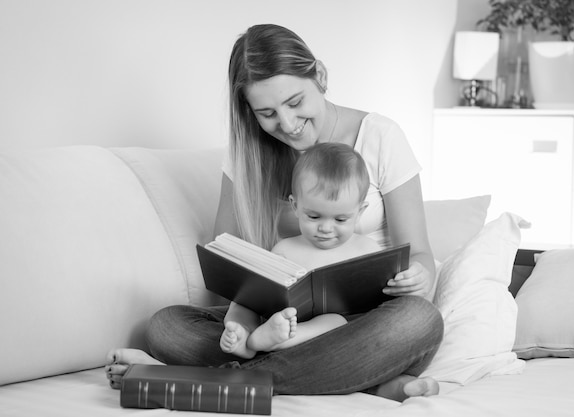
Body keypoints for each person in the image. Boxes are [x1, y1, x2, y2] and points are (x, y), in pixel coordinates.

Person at [106, 23, 443, 401]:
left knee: (419, 321)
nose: (286, 124)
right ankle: (366, 380)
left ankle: (199, 383)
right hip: (278, 323)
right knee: (167, 326)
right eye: (266, 113)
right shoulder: (249, 154)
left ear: (320, 76)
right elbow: (227, 261)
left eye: (295, 102)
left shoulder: (380, 136)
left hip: (364, 322)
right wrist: (255, 313)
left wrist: (418, 276)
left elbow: (420, 255)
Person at [220, 142, 382, 359]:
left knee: (336, 321)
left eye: (341, 219)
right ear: (295, 206)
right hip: (282, 321)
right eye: (313, 217)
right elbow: (263, 298)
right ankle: (241, 335)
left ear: (360, 212)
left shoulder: (368, 249)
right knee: (242, 299)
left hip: (336, 340)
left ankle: (268, 343)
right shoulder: (285, 249)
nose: (325, 228)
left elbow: (381, 306)